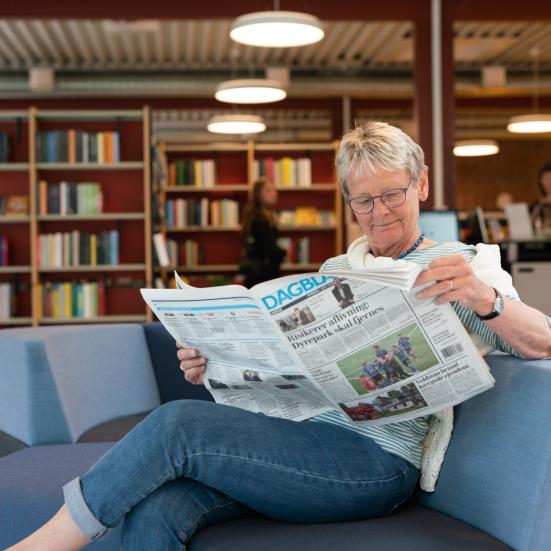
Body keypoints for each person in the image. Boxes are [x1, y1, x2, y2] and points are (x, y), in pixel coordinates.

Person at [11, 121, 551, 551]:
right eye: (362, 201)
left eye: (392, 194)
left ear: (422, 184)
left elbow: (542, 341)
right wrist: (215, 362)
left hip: (374, 464)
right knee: (160, 504)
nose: (379, 214)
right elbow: (290, 371)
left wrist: (486, 298)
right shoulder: (340, 268)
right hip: (306, 442)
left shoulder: (458, 267)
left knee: (176, 423)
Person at [240, 178, 286, 288]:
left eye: (274, 190)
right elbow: (268, 250)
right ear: (258, 195)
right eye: (268, 190)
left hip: (258, 275)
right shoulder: (260, 218)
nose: (274, 193)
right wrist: (283, 252)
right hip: (262, 277)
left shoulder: (261, 215)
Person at [530, 161, 551, 236]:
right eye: (545, 178)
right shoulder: (538, 203)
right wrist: (539, 206)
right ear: (540, 181)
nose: (548, 182)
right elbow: (530, 223)